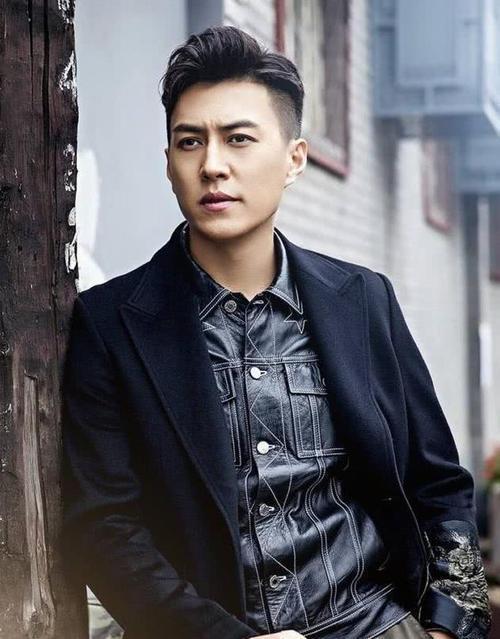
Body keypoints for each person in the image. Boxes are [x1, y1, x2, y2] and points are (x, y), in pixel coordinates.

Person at [60, 25, 492, 639]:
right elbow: (104, 527)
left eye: (239, 139)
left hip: (378, 623)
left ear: (294, 159)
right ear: (169, 163)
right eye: (190, 142)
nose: (213, 165)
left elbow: (437, 481)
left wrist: (450, 624)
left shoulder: (362, 300)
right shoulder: (110, 323)